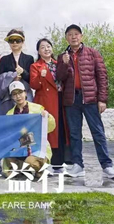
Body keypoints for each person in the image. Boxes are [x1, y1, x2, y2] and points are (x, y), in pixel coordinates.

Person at [57, 24, 114, 180]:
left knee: (98, 132)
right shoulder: (62, 56)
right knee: (74, 134)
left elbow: (102, 76)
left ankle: (107, 166)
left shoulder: (92, 53)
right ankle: (78, 165)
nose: (73, 37)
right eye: (70, 34)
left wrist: (102, 99)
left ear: (81, 36)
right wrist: (64, 64)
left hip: (90, 98)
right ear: (66, 38)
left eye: (76, 34)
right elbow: (60, 78)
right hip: (71, 100)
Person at [30, 38, 70, 170]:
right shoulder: (35, 66)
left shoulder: (58, 63)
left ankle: (59, 162)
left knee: (60, 130)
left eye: (48, 46)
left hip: (60, 99)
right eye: (42, 47)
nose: (46, 49)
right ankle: (47, 161)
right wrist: (41, 77)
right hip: (45, 101)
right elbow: (34, 85)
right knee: (48, 131)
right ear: (38, 51)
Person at [2, 81, 55, 179]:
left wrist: (47, 117)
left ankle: (40, 168)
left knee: (30, 162)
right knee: (8, 156)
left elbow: (50, 127)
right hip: (19, 148)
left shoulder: (37, 109)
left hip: (36, 147)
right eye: (14, 94)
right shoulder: (9, 114)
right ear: (12, 97)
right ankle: (25, 170)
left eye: (20, 92)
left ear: (25, 93)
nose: (18, 96)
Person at [0, 28, 34, 108]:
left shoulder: (29, 58)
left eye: (18, 40)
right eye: (11, 40)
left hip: (25, 95)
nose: (15, 43)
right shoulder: (4, 59)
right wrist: (11, 78)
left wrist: (23, 72)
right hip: (8, 96)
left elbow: (32, 79)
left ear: (22, 42)